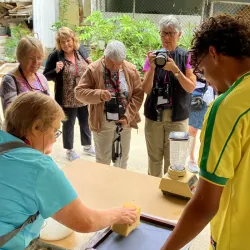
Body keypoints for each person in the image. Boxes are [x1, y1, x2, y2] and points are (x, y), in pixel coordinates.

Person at [0, 92, 137, 250]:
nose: (55, 139)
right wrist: (118, 214)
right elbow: (86, 222)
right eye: (55, 131)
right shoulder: (40, 166)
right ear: (36, 128)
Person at [161, 15, 250, 250]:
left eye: (201, 70)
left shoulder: (229, 107)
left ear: (214, 54)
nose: (207, 81)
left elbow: (204, 204)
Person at [75, 40, 144, 169]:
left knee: (122, 159)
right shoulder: (93, 69)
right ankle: (104, 187)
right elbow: (79, 93)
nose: (115, 67)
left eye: (118, 64)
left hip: (124, 120)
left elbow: (138, 95)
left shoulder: (130, 69)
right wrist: (99, 94)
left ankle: (119, 187)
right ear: (105, 56)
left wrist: (127, 117)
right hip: (102, 120)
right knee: (102, 161)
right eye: (111, 63)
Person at [142, 15, 196, 177]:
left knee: (174, 161)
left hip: (177, 116)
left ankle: (169, 191)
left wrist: (176, 70)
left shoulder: (186, 56)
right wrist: (151, 68)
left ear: (179, 34)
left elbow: (191, 87)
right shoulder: (152, 56)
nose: (166, 37)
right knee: (154, 158)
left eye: (171, 33)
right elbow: (146, 89)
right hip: (154, 115)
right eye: (163, 33)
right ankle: (153, 190)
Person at [43, 27, 95, 161]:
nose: (66, 44)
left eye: (68, 40)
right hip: (66, 98)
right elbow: (45, 76)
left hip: (83, 95)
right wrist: (56, 70)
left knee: (85, 121)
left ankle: (87, 146)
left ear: (73, 40)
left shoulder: (81, 51)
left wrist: (91, 64)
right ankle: (69, 150)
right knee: (68, 124)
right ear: (59, 43)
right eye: (62, 42)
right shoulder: (55, 55)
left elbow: (91, 68)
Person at [0, 36, 49, 114]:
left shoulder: (41, 78)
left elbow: (50, 106)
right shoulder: (10, 81)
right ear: (20, 57)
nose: (36, 62)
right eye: (31, 58)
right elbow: (10, 115)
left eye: (39, 58)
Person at [188, 73, 215, 173]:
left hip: (211, 95)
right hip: (196, 96)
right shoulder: (192, 59)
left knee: (209, 130)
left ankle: (205, 161)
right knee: (193, 130)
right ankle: (192, 159)